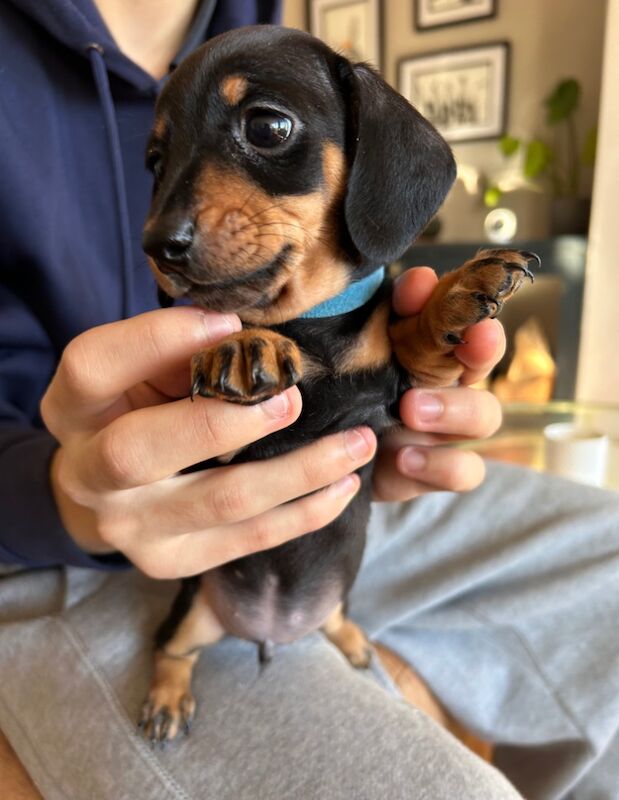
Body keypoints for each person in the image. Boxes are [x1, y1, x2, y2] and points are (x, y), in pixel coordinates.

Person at [0, 1, 617, 798]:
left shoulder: (258, 15)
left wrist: (422, 374)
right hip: (45, 532)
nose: (164, 228)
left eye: (265, 128)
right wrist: (56, 497)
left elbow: (383, 363)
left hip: (341, 489)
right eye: (162, 164)